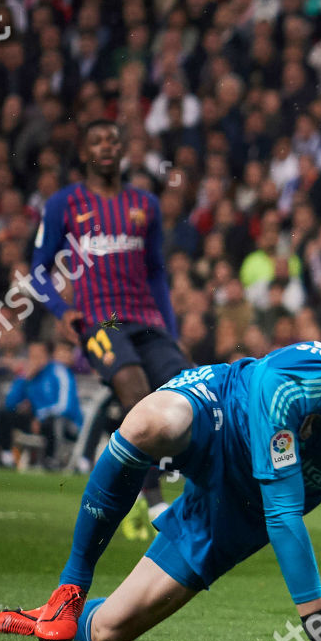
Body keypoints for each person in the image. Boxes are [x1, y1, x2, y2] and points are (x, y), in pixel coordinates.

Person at [0, 320, 321, 641]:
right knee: (151, 422)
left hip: (241, 506)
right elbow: (284, 515)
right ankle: (70, 588)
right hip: (220, 415)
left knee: (109, 631)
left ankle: (49, 618)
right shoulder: (288, 384)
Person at [31, 119, 190, 539]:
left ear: (122, 150)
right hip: (101, 320)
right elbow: (38, 272)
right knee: (135, 390)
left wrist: (169, 330)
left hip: (145, 319)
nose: (106, 146)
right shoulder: (64, 204)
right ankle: (152, 501)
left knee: (184, 390)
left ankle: (172, 488)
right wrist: (62, 310)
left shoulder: (146, 205)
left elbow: (156, 274)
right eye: (97, 139)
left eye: (113, 140)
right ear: (85, 152)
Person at [0, 340, 82, 467]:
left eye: (38, 356)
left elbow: (64, 406)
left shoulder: (59, 371)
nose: (34, 360)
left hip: (66, 423)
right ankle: (7, 458)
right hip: (38, 421)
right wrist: (24, 378)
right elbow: (10, 403)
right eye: (32, 356)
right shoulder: (30, 375)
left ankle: (51, 461)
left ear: (48, 356)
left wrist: (40, 417)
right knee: (4, 414)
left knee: (52, 421)